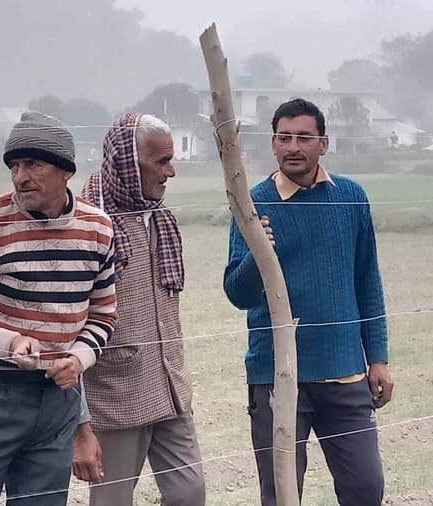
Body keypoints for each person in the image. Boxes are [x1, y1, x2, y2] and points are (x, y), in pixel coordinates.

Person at [0, 110, 117, 506]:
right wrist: (10, 343)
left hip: (57, 401)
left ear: (66, 170)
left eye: (33, 164)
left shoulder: (99, 229)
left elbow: (103, 315)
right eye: (14, 166)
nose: (20, 177)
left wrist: (79, 358)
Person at [223, 98, 393, 506]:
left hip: (345, 374)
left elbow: (367, 281)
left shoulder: (351, 197)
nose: (293, 147)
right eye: (283, 138)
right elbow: (236, 293)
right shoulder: (252, 204)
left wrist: (378, 358)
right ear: (272, 143)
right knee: (281, 496)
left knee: (366, 489)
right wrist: (258, 253)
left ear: (324, 143)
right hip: (276, 378)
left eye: (304, 137)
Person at [74, 113, 206, 506]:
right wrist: (80, 421)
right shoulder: (86, 223)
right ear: (128, 164)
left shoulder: (160, 218)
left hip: (169, 385)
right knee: (112, 501)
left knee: (189, 493)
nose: (171, 172)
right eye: (161, 161)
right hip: (115, 393)